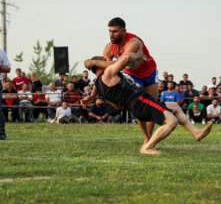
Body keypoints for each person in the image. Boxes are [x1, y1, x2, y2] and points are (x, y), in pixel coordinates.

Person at [82, 54, 212, 155]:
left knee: (175, 107)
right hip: (141, 101)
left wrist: (92, 96)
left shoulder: (98, 84)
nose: (106, 61)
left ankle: (196, 132)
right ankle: (147, 147)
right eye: (103, 60)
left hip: (137, 106)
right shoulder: (108, 72)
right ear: (99, 65)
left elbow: (117, 106)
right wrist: (93, 61)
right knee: (171, 121)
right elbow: (125, 58)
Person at [84, 17, 159, 144]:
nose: (112, 35)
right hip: (132, 74)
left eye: (115, 31)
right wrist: (93, 94)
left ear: (124, 31)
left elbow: (121, 62)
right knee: (138, 104)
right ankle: (147, 138)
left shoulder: (133, 42)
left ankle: (149, 138)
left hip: (149, 73)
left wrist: (94, 62)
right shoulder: (109, 48)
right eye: (110, 31)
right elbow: (106, 72)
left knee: (152, 106)